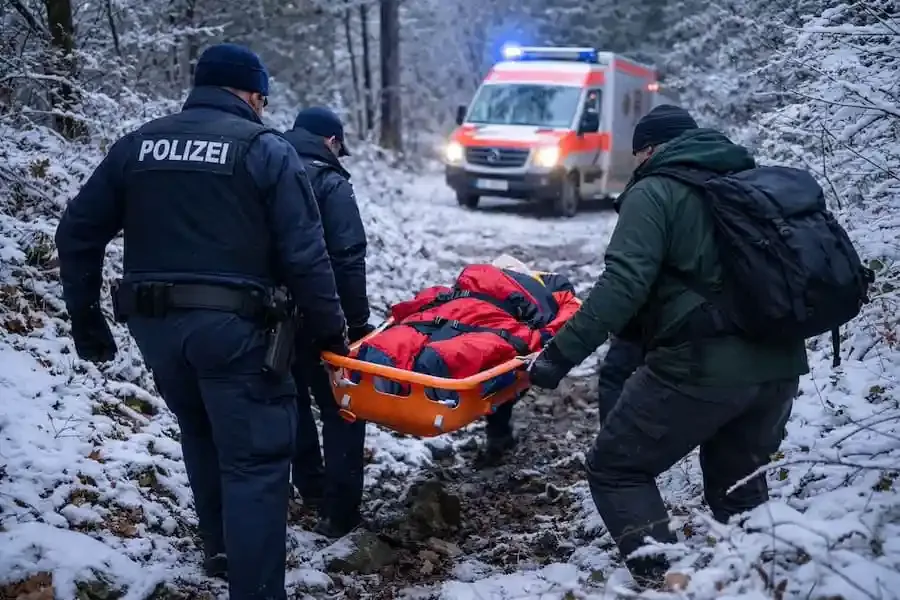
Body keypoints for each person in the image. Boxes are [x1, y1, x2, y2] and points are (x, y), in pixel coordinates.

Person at [54, 43, 349, 600]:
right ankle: (254, 588)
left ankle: (220, 550)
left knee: (202, 430)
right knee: (255, 459)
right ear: (253, 94)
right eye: (262, 99)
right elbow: (306, 255)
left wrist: (85, 316)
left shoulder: (138, 146)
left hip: (156, 331)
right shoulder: (265, 149)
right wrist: (331, 332)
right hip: (239, 333)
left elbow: (76, 232)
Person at [527, 105, 809, 588]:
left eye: (637, 154)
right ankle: (759, 583)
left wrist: (559, 355)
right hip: (780, 364)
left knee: (616, 470)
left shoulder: (655, 190)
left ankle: (666, 582)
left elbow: (623, 284)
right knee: (739, 490)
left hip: (703, 367)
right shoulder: (749, 182)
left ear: (649, 150)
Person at [282, 107, 371, 538]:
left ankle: (311, 487)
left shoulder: (266, 165)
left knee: (293, 398)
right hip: (321, 312)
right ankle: (340, 512)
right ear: (332, 142)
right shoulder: (330, 182)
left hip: (266, 314)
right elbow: (348, 256)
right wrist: (357, 323)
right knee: (345, 406)